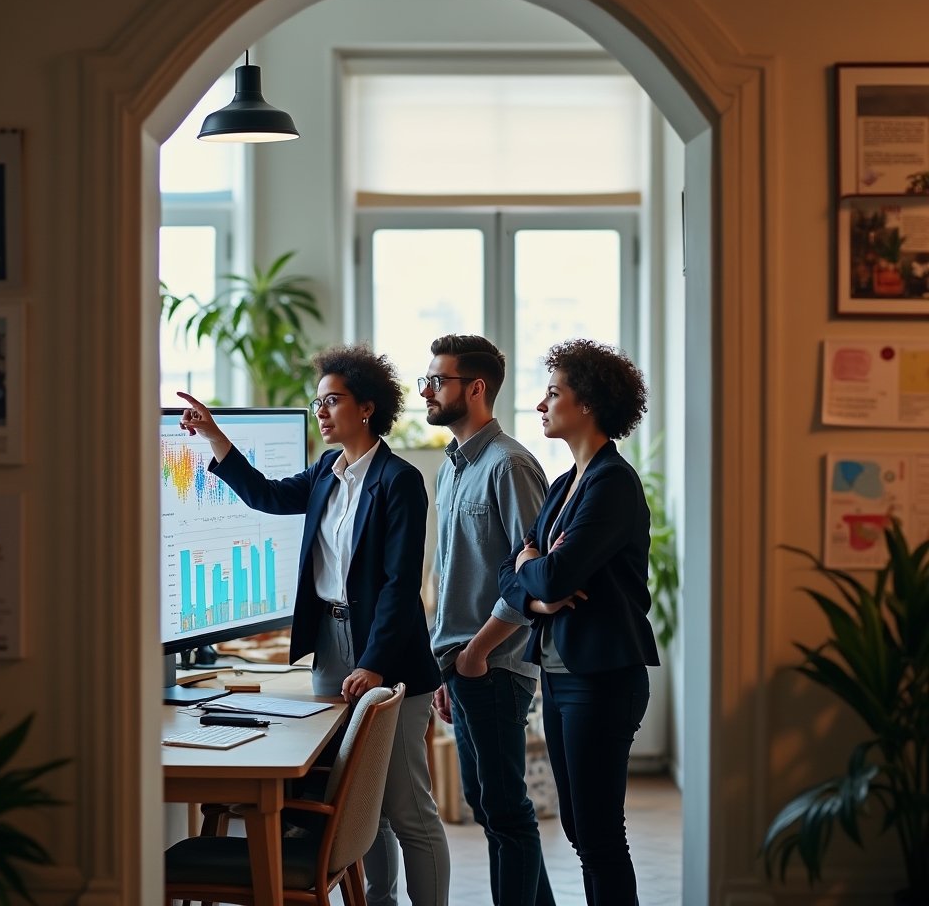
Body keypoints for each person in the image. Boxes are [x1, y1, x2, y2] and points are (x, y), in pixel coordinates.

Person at [177, 343, 449, 906]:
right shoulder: (328, 470)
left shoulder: (399, 482)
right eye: (318, 402)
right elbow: (269, 497)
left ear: (366, 407)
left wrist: (374, 664)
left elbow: (401, 587)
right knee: (359, 800)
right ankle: (380, 900)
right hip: (331, 643)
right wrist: (214, 436)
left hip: (388, 652)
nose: (321, 412)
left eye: (332, 401)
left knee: (406, 806)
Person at [498, 339, 659, 906]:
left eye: (553, 393)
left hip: (603, 678)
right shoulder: (567, 484)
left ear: (585, 403)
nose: (541, 405)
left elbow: (552, 574)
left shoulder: (612, 482)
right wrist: (534, 579)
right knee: (579, 829)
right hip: (563, 675)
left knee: (597, 833)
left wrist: (536, 569)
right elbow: (514, 576)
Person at [420, 335, 555, 906]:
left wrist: (474, 654)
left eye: (438, 380)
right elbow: (451, 575)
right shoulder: (451, 469)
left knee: (505, 811)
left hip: (495, 665)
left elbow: (534, 577)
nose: (426, 390)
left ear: (475, 389)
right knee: (488, 802)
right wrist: (446, 664)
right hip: (464, 665)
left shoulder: (510, 465)